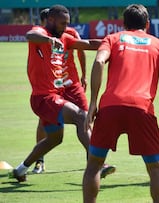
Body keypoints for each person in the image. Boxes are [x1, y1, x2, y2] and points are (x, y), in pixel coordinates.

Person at [82, 4, 159, 203]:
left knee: (94, 164)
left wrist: (93, 103)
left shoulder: (112, 38)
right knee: (155, 168)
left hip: (110, 107)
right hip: (142, 109)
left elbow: (98, 62)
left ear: (123, 24)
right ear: (147, 24)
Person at [9, 4, 103, 182]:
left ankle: (21, 169)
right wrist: (48, 41)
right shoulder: (41, 33)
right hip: (43, 98)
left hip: (54, 97)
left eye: (67, 23)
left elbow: (89, 44)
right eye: (62, 23)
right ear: (50, 20)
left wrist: (113, 42)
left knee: (54, 139)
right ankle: (98, 164)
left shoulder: (65, 37)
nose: (65, 27)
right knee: (81, 117)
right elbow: (30, 35)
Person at [30, 8, 116, 178]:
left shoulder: (69, 33)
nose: (64, 26)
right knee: (45, 124)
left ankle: (93, 162)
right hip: (51, 87)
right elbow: (32, 39)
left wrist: (84, 75)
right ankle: (39, 160)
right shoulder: (41, 35)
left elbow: (83, 50)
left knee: (86, 119)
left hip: (72, 84)